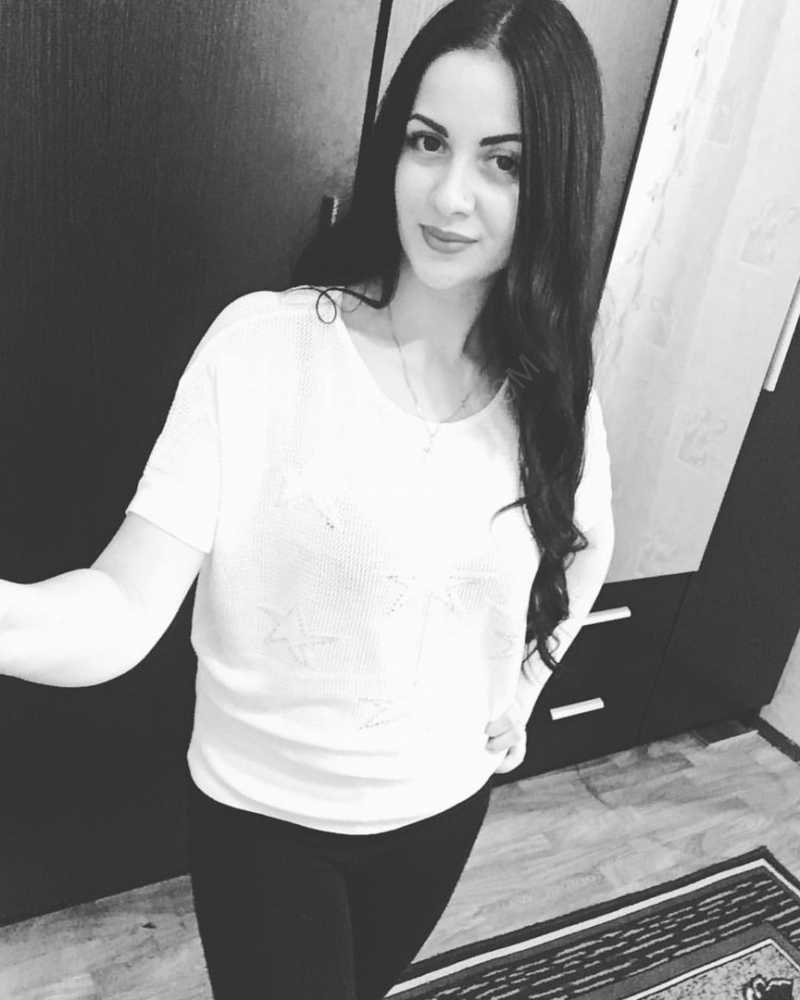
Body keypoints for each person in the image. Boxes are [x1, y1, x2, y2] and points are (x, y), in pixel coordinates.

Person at [0, 0, 615, 996]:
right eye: (428, 142)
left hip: (441, 808)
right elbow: (119, 607)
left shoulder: (553, 388)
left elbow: (588, 542)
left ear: (555, 183)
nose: (450, 195)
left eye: (502, 162)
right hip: (264, 822)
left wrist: (522, 692)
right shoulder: (263, 348)